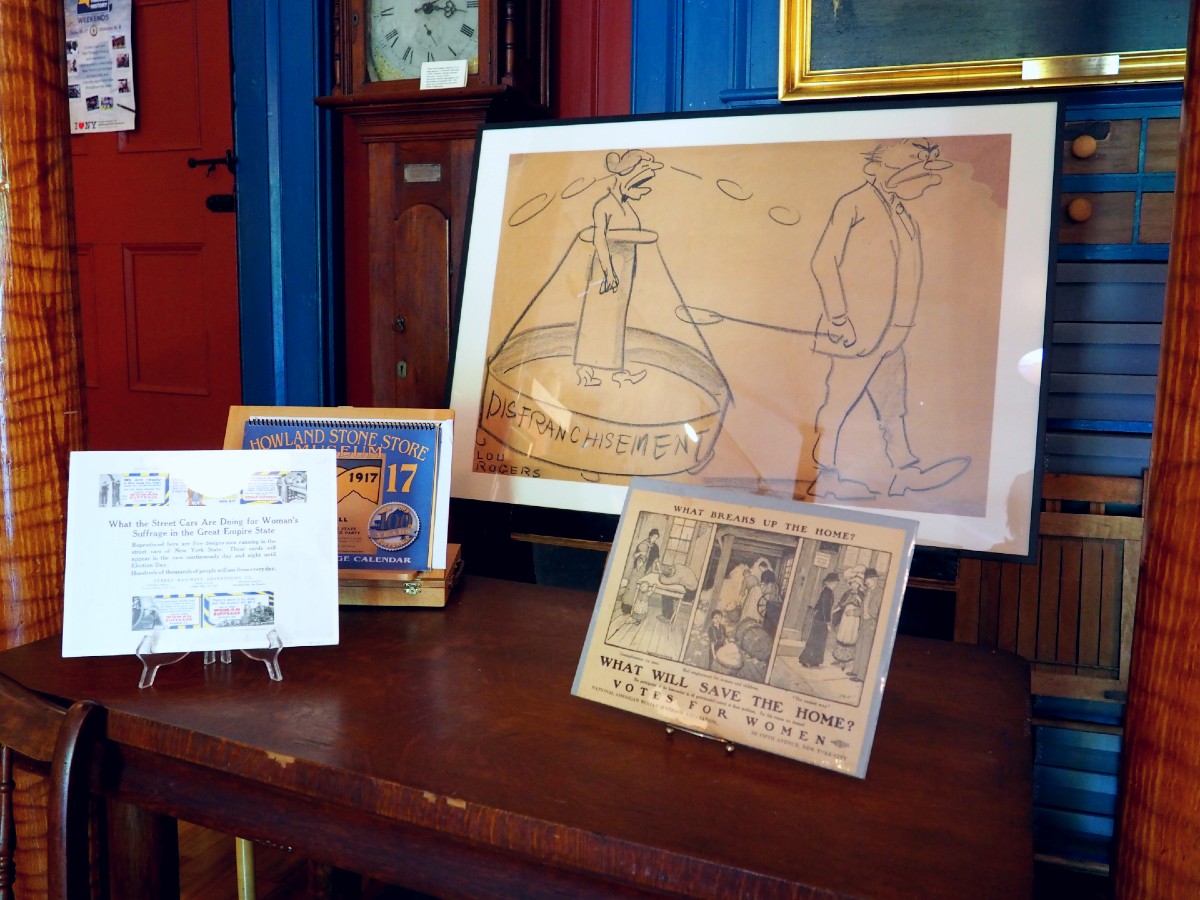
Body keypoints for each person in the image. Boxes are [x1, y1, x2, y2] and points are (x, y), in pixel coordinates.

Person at [806, 138, 969, 501]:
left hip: (894, 331)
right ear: (875, 168)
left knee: (893, 405)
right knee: (840, 402)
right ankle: (826, 477)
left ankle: (905, 472)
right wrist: (838, 317)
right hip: (855, 330)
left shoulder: (903, 213)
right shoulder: (853, 203)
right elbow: (823, 261)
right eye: (906, 166)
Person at [574, 149, 664, 388]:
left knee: (616, 320)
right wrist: (609, 273)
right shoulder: (603, 206)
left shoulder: (627, 208)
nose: (641, 190)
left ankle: (616, 370)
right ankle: (586, 370)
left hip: (624, 271)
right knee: (597, 317)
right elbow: (599, 239)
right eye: (638, 183)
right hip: (607, 272)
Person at [798, 571, 838, 668]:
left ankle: (815, 660)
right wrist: (828, 623)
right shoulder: (828, 593)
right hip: (821, 620)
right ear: (829, 582)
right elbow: (825, 608)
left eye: (836, 583)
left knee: (818, 640)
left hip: (818, 618)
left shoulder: (825, 591)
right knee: (815, 640)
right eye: (834, 583)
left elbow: (818, 606)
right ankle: (806, 659)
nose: (835, 585)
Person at [848, 568, 882, 683]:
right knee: (859, 647)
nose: (866, 582)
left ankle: (861, 676)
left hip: (871, 624)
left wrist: (873, 618)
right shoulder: (868, 592)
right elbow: (863, 608)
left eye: (869, 579)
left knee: (866, 649)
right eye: (866, 580)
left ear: (875, 579)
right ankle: (855, 671)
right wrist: (854, 612)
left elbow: (880, 610)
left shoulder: (880, 592)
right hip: (864, 623)